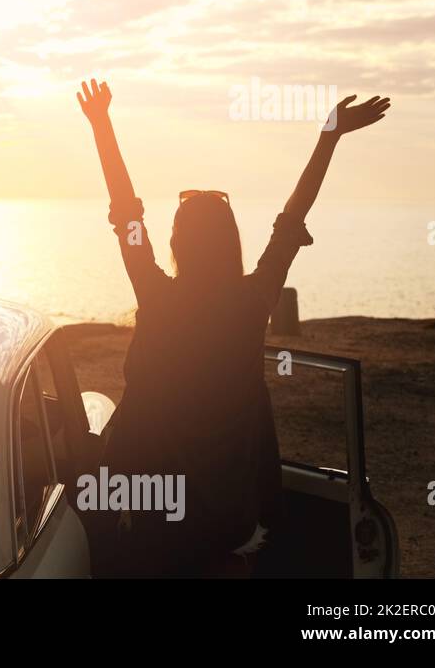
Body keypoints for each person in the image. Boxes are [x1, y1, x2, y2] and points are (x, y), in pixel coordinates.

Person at [75, 79, 390, 576]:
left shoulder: (157, 295)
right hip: (232, 516)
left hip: (155, 511)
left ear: (178, 241)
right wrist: (328, 135)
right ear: (231, 241)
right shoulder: (252, 299)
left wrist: (101, 124)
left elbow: (127, 214)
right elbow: (291, 219)